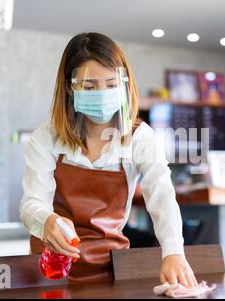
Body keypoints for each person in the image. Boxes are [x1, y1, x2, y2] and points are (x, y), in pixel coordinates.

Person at [20, 32, 198, 287]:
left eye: (112, 85)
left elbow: (162, 195)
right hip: (50, 269)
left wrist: (173, 252)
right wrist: (46, 221)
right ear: (70, 87)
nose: (102, 94)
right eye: (90, 87)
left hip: (111, 271)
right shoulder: (46, 137)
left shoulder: (139, 138)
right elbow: (31, 203)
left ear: (124, 84)